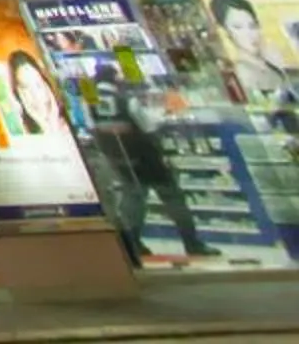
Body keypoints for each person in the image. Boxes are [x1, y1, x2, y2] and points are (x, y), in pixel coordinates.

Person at [85, 78, 216, 263]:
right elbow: (149, 128)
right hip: (149, 160)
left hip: (122, 161)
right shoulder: (128, 101)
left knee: (134, 203)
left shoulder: (90, 105)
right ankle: (192, 243)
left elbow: (95, 131)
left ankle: (134, 244)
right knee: (173, 199)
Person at [208, 0, 295, 113]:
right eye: (238, 27)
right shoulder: (242, 71)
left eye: (252, 26)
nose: (250, 34)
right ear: (225, 31)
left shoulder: (270, 58)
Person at [7, 51, 68, 138]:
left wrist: (53, 124)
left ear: (47, 85)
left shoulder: (71, 122)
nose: (35, 96)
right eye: (25, 88)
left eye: (38, 85)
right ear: (18, 95)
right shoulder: (26, 136)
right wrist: (45, 126)